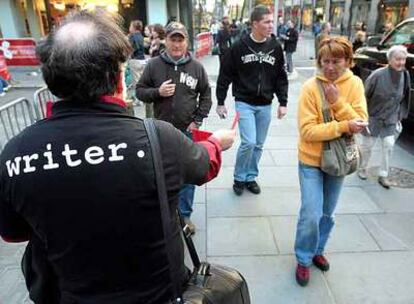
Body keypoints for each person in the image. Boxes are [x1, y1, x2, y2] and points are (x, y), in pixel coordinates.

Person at [0, 10, 235, 304]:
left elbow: (13, 232)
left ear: (50, 77)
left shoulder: (14, 156)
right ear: (117, 78)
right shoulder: (160, 139)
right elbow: (204, 166)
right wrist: (216, 142)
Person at [294, 37, 368, 287]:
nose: (330, 67)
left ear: (348, 61)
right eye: (325, 61)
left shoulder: (355, 84)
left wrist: (337, 102)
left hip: (338, 161)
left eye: (336, 61)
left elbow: (361, 121)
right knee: (311, 213)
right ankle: (303, 259)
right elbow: (308, 131)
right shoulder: (309, 88)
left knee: (328, 213)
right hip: (311, 160)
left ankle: (317, 249)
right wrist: (343, 125)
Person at [136, 21, 212, 233]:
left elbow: (206, 94)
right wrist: (157, 92)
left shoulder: (196, 67)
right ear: (166, 40)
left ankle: (184, 216)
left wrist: (197, 119)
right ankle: (166, 215)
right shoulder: (154, 65)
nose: (177, 44)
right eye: (173, 39)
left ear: (187, 41)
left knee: (188, 174)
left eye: (181, 39)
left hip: (186, 131)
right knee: (162, 174)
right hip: (160, 131)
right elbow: (140, 91)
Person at [216, 5, 288, 196]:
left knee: (258, 144)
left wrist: (283, 102)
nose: (271, 25)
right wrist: (221, 101)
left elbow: (281, 76)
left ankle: (250, 177)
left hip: (265, 103)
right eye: (267, 21)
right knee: (249, 142)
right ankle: (239, 177)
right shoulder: (239, 47)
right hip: (244, 102)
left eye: (272, 21)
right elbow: (225, 74)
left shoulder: (275, 47)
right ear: (255, 24)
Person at [357, 45, 411, 188]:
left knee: (389, 144)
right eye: (397, 59)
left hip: (390, 117)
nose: (401, 62)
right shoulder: (377, 75)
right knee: (367, 146)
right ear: (389, 60)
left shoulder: (405, 75)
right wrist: (362, 116)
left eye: (403, 59)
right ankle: (362, 168)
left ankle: (383, 175)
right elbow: (364, 97)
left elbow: (406, 96)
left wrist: (400, 114)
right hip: (373, 116)